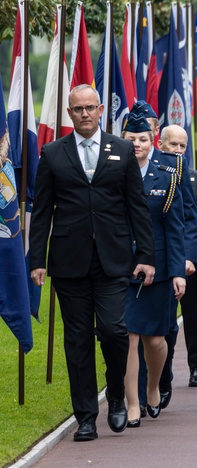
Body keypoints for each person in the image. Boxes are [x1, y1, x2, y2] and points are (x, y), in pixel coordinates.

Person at [30, 85, 155, 441]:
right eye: (78, 109)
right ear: (69, 114)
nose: (85, 114)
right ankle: (85, 416)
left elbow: (137, 208)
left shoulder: (121, 149)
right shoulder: (53, 153)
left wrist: (146, 256)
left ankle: (116, 394)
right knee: (78, 338)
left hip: (114, 260)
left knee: (115, 331)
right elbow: (41, 212)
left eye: (90, 108)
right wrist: (37, 259)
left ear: (101, 110)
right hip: (69, 261)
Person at [120, 108, 186, 427]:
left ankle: (153, 386)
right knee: (128, 337)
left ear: (153, 141)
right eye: (130, 139)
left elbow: (174, 227)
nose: (137, 145)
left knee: (156, 341)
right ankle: (132, 404)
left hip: (158, 268)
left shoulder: (168, 172)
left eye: (142, 139)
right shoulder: (113, 171)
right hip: (122, 266)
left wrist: (176, 271)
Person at [159, 125, 197, 389]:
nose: (178, 151)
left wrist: (192, 258)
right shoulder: (153, 177)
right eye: (173, 145)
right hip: (162, 262)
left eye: (183, 146)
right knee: (164, 323)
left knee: (194, 317)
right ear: (161, 145)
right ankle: (163, 371)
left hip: (191, 264)